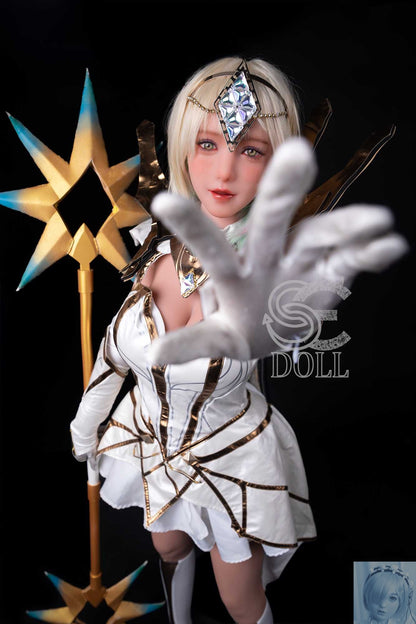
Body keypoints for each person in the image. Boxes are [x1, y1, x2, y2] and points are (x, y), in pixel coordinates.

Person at [70, 57, 407, 624]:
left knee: (239, 599)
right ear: (183, 147)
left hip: (232, 460)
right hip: (153, 447)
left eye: (251, 150)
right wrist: (86, 423)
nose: (223, 170)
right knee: (168, 548)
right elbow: (113, 353)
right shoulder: (152, 244)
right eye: (207, 143)